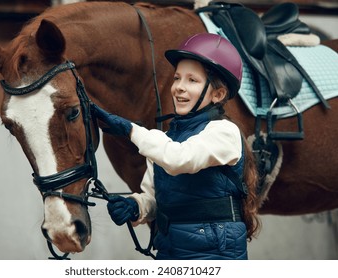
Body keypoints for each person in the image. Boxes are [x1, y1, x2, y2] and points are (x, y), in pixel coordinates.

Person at [92, 33, 261, 260]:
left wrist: (129, 129)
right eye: (177, 78)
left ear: (218, 94)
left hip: (215, 256)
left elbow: (179, 159)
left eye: (192, 80)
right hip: (169, 251)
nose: (179, 87)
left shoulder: (224, 132)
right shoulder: (164, 139)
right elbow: (155, 198)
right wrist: (136, 206)